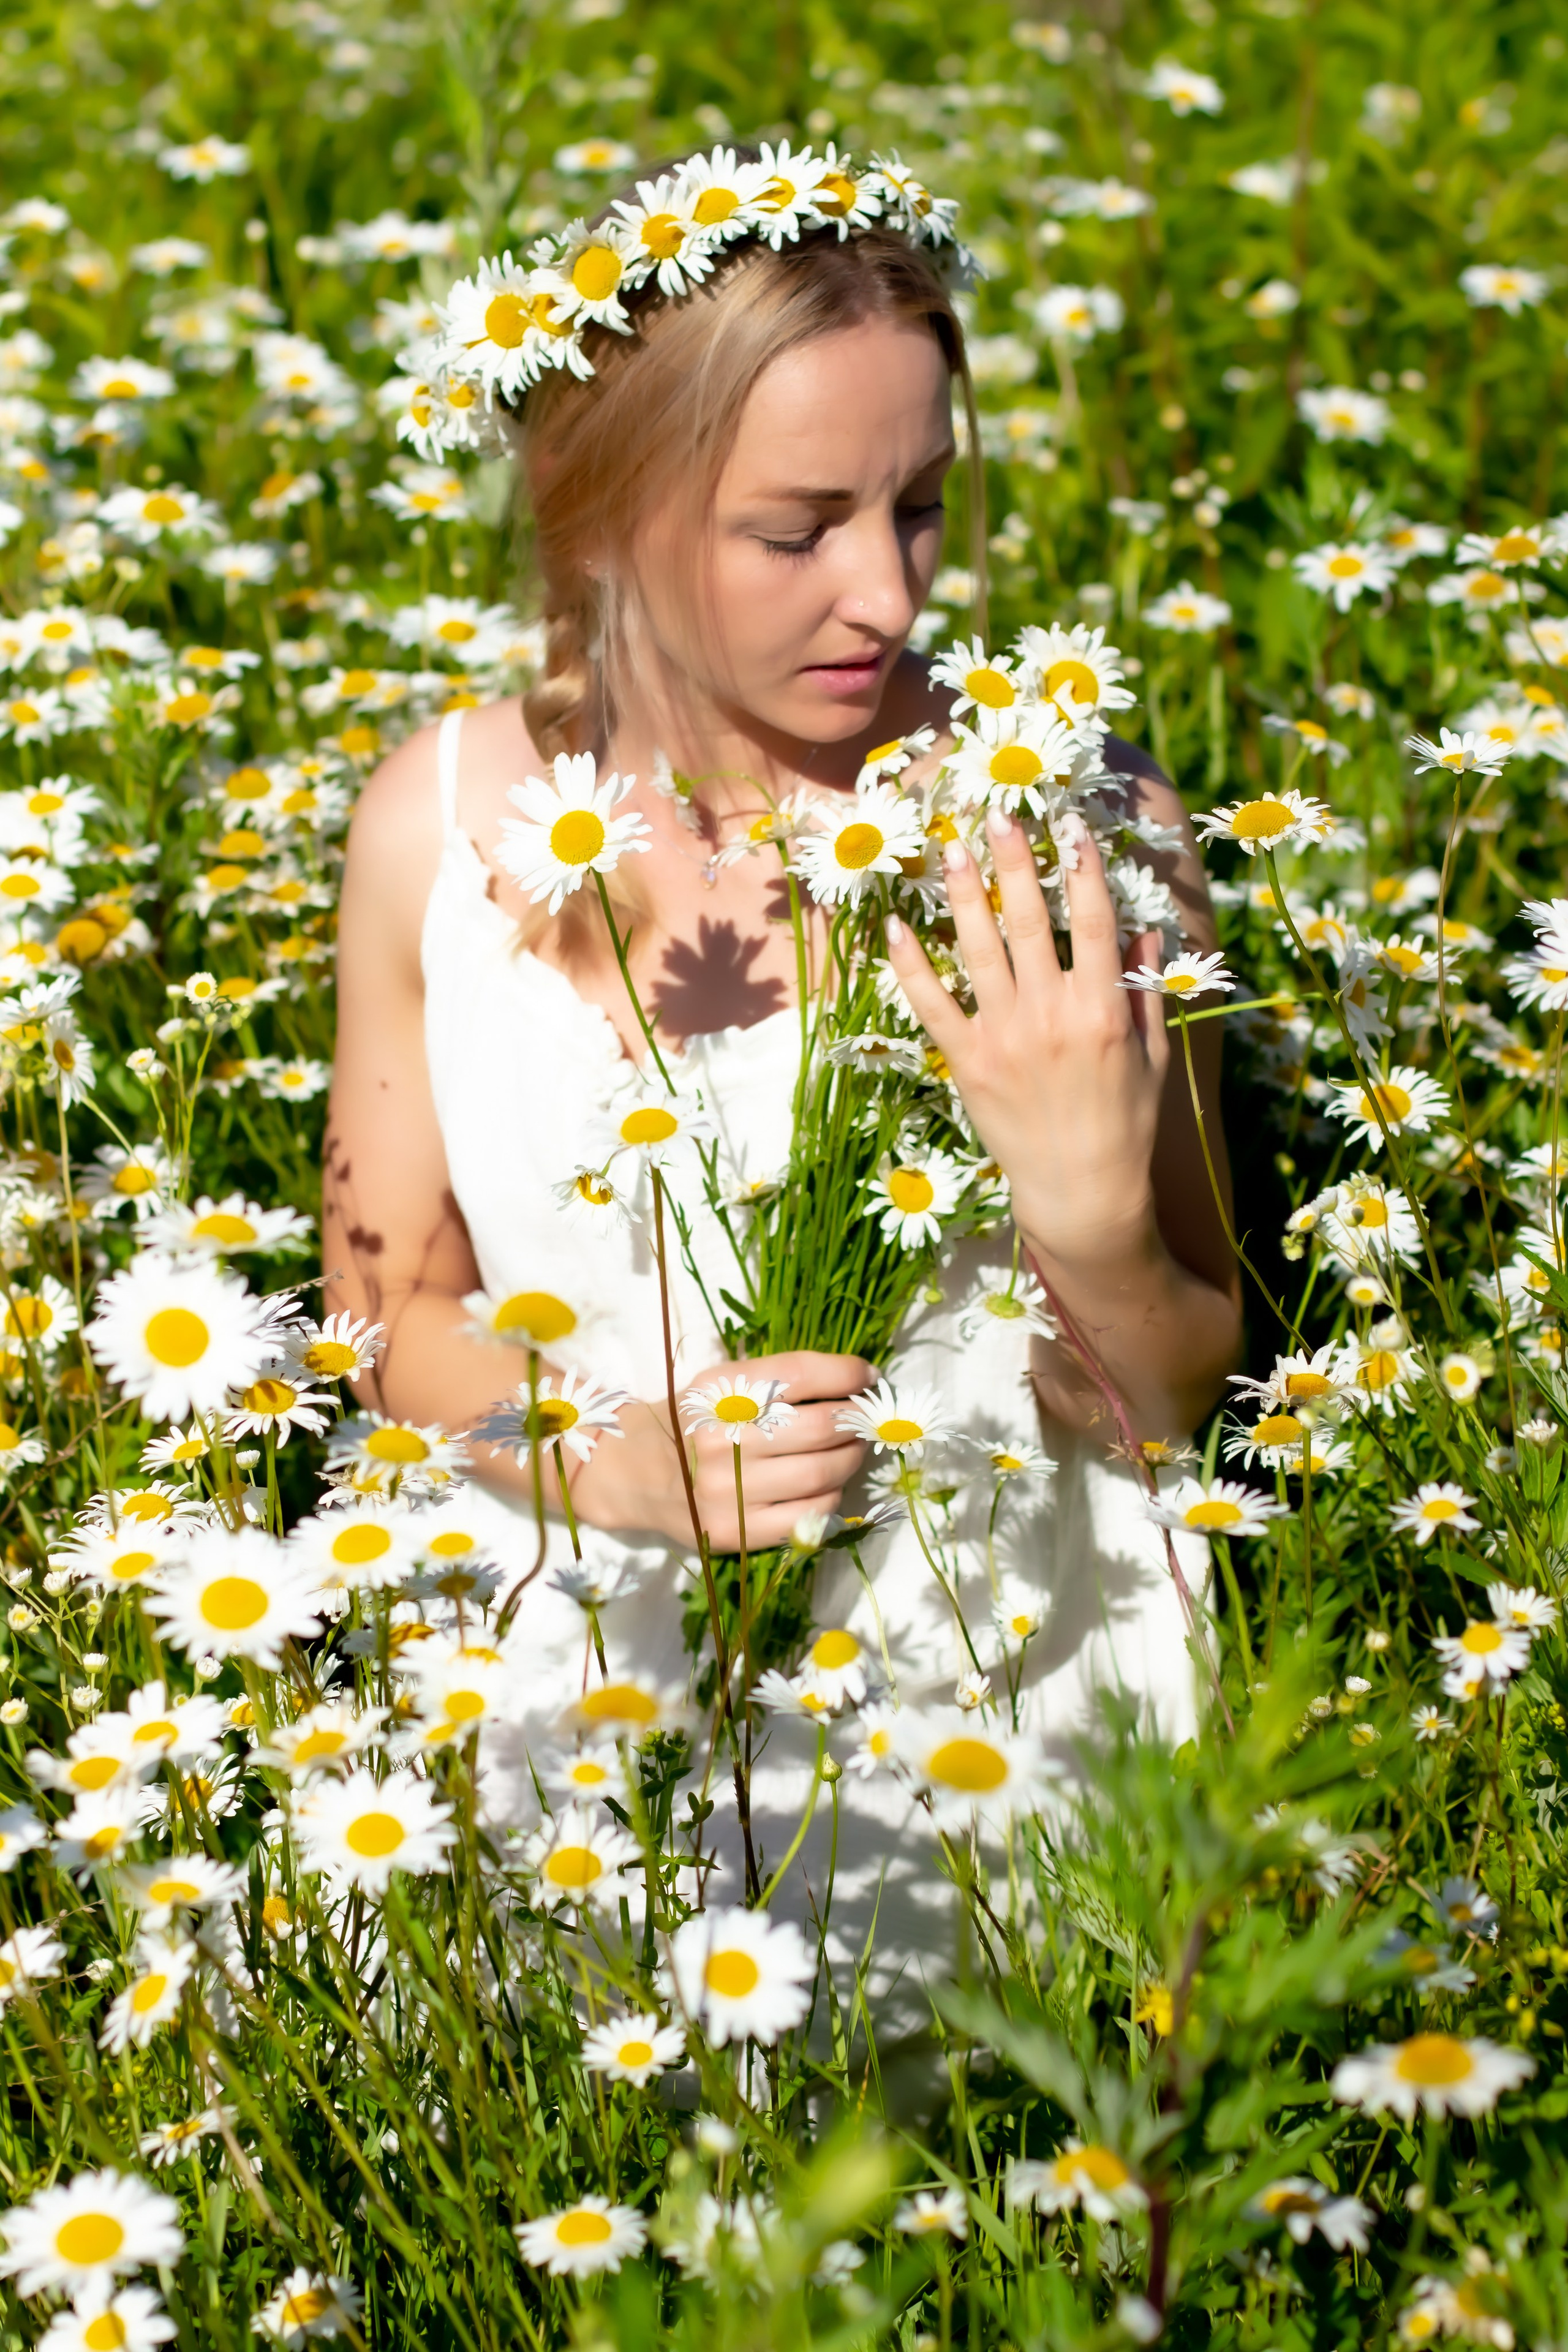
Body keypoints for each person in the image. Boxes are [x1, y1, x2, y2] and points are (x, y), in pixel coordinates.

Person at [324, 149, 1240, 2029]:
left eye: (919, 508)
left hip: (1000, 1666)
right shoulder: (439, 823)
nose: (889, 597)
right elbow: (379, 1308)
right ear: (600, 516)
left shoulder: (1072, 823)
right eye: (796, 527)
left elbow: (1178, 1391)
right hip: (588, 1646)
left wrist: (1083, 1220)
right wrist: (615, 1456)